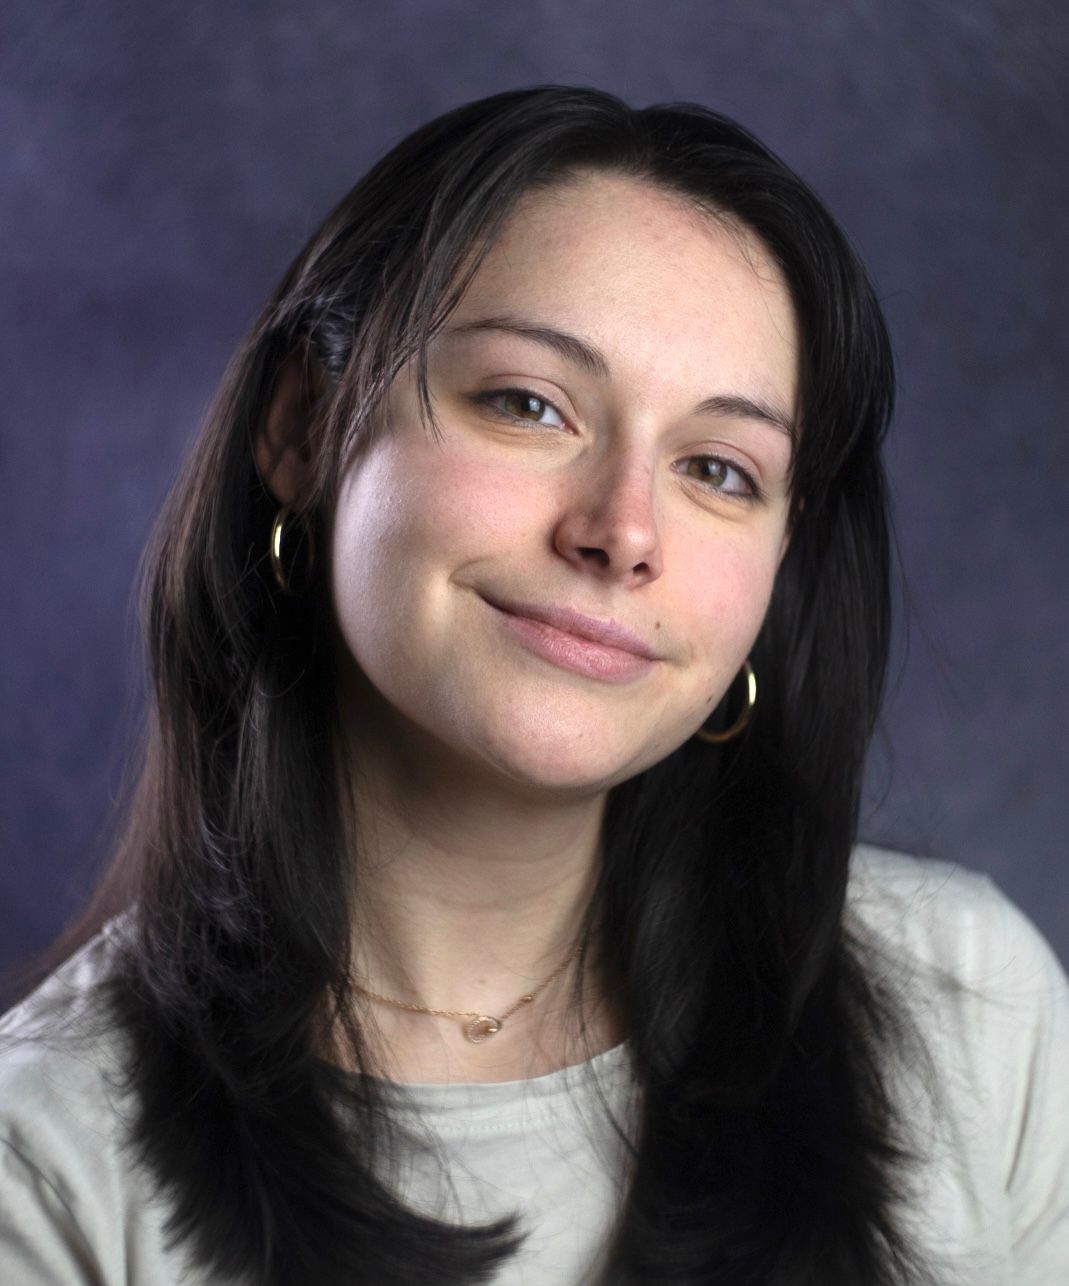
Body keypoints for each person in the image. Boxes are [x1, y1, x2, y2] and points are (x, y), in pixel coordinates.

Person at [1, 85, 1066, 1286]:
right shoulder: (41, 1167)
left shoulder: (976, 1007)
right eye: (528, 404)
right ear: (302, 426)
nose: (623, 531)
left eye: (719, 468)